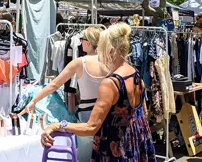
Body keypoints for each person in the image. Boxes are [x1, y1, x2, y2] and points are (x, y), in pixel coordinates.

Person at [41, 23, 156, 162]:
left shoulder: (110, 83)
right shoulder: (135, 75)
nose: (99, 54)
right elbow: (143, 114)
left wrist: (58, 125)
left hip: (115, 149)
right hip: (136, 144)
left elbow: (91, 127)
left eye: (102, 49)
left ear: (112, 51)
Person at [21, 27, 104, 162]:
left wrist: (34, 101)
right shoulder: (109, 62)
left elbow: (54, 84)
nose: (80, 43)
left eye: (82, 40)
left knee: (84, 157)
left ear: (88, 42)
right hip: (105, 113)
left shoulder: (80, 62)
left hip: (86, 116)